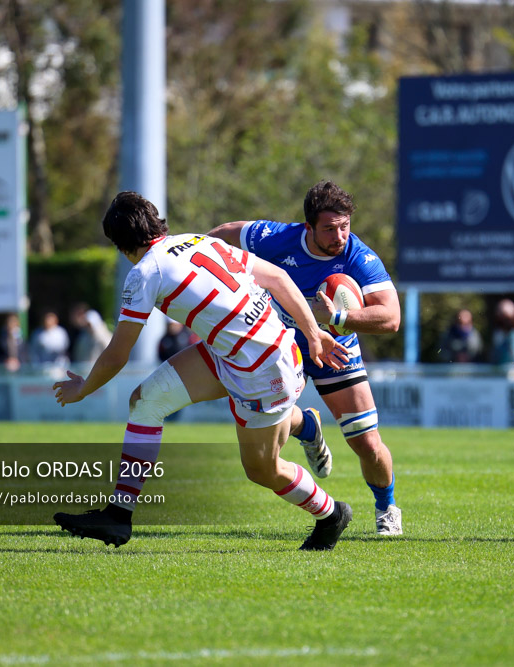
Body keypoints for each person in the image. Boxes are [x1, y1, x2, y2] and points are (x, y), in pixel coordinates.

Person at [52, 191, 354, 551]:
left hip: (263, 370)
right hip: (244, 352)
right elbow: (277, 279)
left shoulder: (144, 272)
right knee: (145, 401)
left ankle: (331, 514)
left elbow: (118, 354)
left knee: (262, 470)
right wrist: (311, 331)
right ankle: (118, 515)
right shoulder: (197, 241)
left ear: (120, 244)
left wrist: (83, 388)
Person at [207, 180, 404, 536]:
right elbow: (224, 234)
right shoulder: (276, 238)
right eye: (329, 229)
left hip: (335, 352)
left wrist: (337, 319)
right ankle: (307, 427)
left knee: (367, 443)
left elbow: (391, 318)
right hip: (279, 347)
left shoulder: (357, 255)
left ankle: (386, 506)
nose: (339, 236)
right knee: (271, 448)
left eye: (344, 226)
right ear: (308, 226)